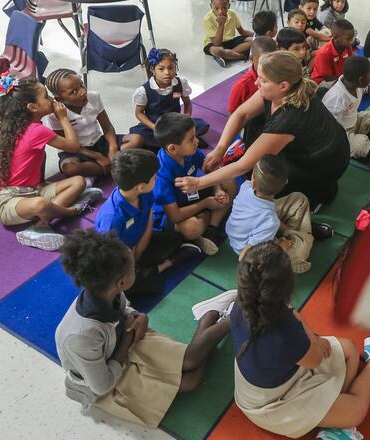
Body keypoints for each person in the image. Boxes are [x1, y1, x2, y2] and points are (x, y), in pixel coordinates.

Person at [229, 242, 370, 439]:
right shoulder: (284, 333)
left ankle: (334, 420)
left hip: (270, 380)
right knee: (356, 411)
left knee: (349, 350)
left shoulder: (245, 298)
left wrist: (309, 337)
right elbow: (315, 358)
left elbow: (245, 256)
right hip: (269, 403)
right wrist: (314, 339)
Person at [55, 230, 231, 427]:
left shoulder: (107, 292)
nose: (137, 269)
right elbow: (102, 385)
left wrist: (140, 316)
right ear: (122, 281)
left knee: (191, 359)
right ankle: (220, 318)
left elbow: (125, 309)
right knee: (191, 381)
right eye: (134, 268)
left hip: (126, 341)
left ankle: (217, 316)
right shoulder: (80, 337)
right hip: (106, 377)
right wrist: (127, 340)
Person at [175, 51, 350, 209]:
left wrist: (199, 183)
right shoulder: (277, 90)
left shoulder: (289, 118)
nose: (257, 82)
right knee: (253, 121)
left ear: (283, 85)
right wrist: (220, 149)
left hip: (324, 164)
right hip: (318, 143)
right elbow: (241, 114)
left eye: (263, 80)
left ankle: (315, 194)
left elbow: (244, 165)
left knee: (264, 178)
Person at [0, 75, 102, 251]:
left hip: (34, 189)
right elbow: (73, 146)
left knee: (78, 181)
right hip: (8, 202)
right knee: (41, 205)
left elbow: (38, 159)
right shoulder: (36, 130)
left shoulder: (22, 125)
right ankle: (44, 224)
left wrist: (41, 183)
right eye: (46, 97)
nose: (51, 99)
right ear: (32, 107)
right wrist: (63, 118)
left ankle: (53, 211)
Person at [94, 149, 202, 296]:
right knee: (131, 286)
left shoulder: (145, 192)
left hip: (140, 245)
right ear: (140, 186)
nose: (157, 179)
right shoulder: (112, 218)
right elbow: (109, 260)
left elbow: (149, 218)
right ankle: (166, 264)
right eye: (154, 177)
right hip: (120, 261)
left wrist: (139, 250)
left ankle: (153, 267)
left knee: (174, 238)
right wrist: (132, 261)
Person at [152, 113, 235, 256]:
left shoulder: (190, 152)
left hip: (192, 195)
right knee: (192, 228)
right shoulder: (162, 175)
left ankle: (211, 230)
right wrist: (205, 204)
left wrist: (218, 190)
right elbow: (175, 216)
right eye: (191, 139)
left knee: (230, 182)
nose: (197, 141)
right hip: (173, 212)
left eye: (195, 136)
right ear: (172, 149)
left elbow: (210, 170)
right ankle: (206, 220)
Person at [44, 68, 142, 184]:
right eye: (73, 92)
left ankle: (103, 168)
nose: (82, 92)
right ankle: (115, 166)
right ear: (60, 99)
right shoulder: (55, 115)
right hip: (77, 151)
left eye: (82, 85)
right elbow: (67, 145)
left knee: (136, 139)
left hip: (99, 141)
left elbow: (107, 127)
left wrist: (113, 148)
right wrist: (97, 156)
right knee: (69, 167)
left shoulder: (93, 97)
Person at [226, 154, 314, 273]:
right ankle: (294, 261)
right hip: (247, 248)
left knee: (299, 199)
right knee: (301, 248)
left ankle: (289, 233)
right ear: (285, 184)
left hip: (240, 232)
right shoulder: (270, 222)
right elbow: (243, 257)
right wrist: (279, 248)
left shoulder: (245, 186)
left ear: (253, 180)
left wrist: (282, 228)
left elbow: (265, 217)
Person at [129, 48, 208, 149]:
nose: (167, 72)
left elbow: (187, 104)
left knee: (202, 126)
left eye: (171, 68)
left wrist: (185, 119)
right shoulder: (144, 91)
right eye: (161, 69)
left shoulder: (180, 83)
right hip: (154, 125)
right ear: (153, 70)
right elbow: (139, 113)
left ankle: (169, 143)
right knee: (139, 138)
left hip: (175, 124)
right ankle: (183, 141)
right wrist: (154, 127)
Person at [322, 56, 370, 171]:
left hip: (354, 119)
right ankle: (367, 147)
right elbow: (330, 129)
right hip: (341, 133)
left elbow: (366, 89)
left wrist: (369, 88)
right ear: (361, 79)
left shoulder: (354, 85)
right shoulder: (337, 98)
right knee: (362, 144)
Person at [229, 36, 278, 147]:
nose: (268, 65)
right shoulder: (242, 85)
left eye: (272, 60)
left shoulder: (279, 77)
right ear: (252, 59)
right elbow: (233, 116)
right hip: (251, 130)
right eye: (263, 61)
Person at [203, 0, 254, 67]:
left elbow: (242, 32)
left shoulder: (232, 14)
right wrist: (221, 25)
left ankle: (227, 55)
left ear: (229, 6)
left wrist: (257, 35)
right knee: (217, 51)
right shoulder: (207, 19)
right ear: (211, 6)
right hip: (213, 43)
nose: (220, 11)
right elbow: (216, 44)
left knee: (254, 41)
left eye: (224, 8)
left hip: (230, 40)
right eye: (217, 8)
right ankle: (242, 56)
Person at [310, 19, 356, 87]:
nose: (351, 41)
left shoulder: (347, 46)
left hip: (339, 76)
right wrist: (346, 79)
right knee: (346, 86)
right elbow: (327, 77)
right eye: (348, 39)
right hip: (322, 82)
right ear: (335, 37)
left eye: (352, 38)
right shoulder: (323, 53)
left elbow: (351, 61)